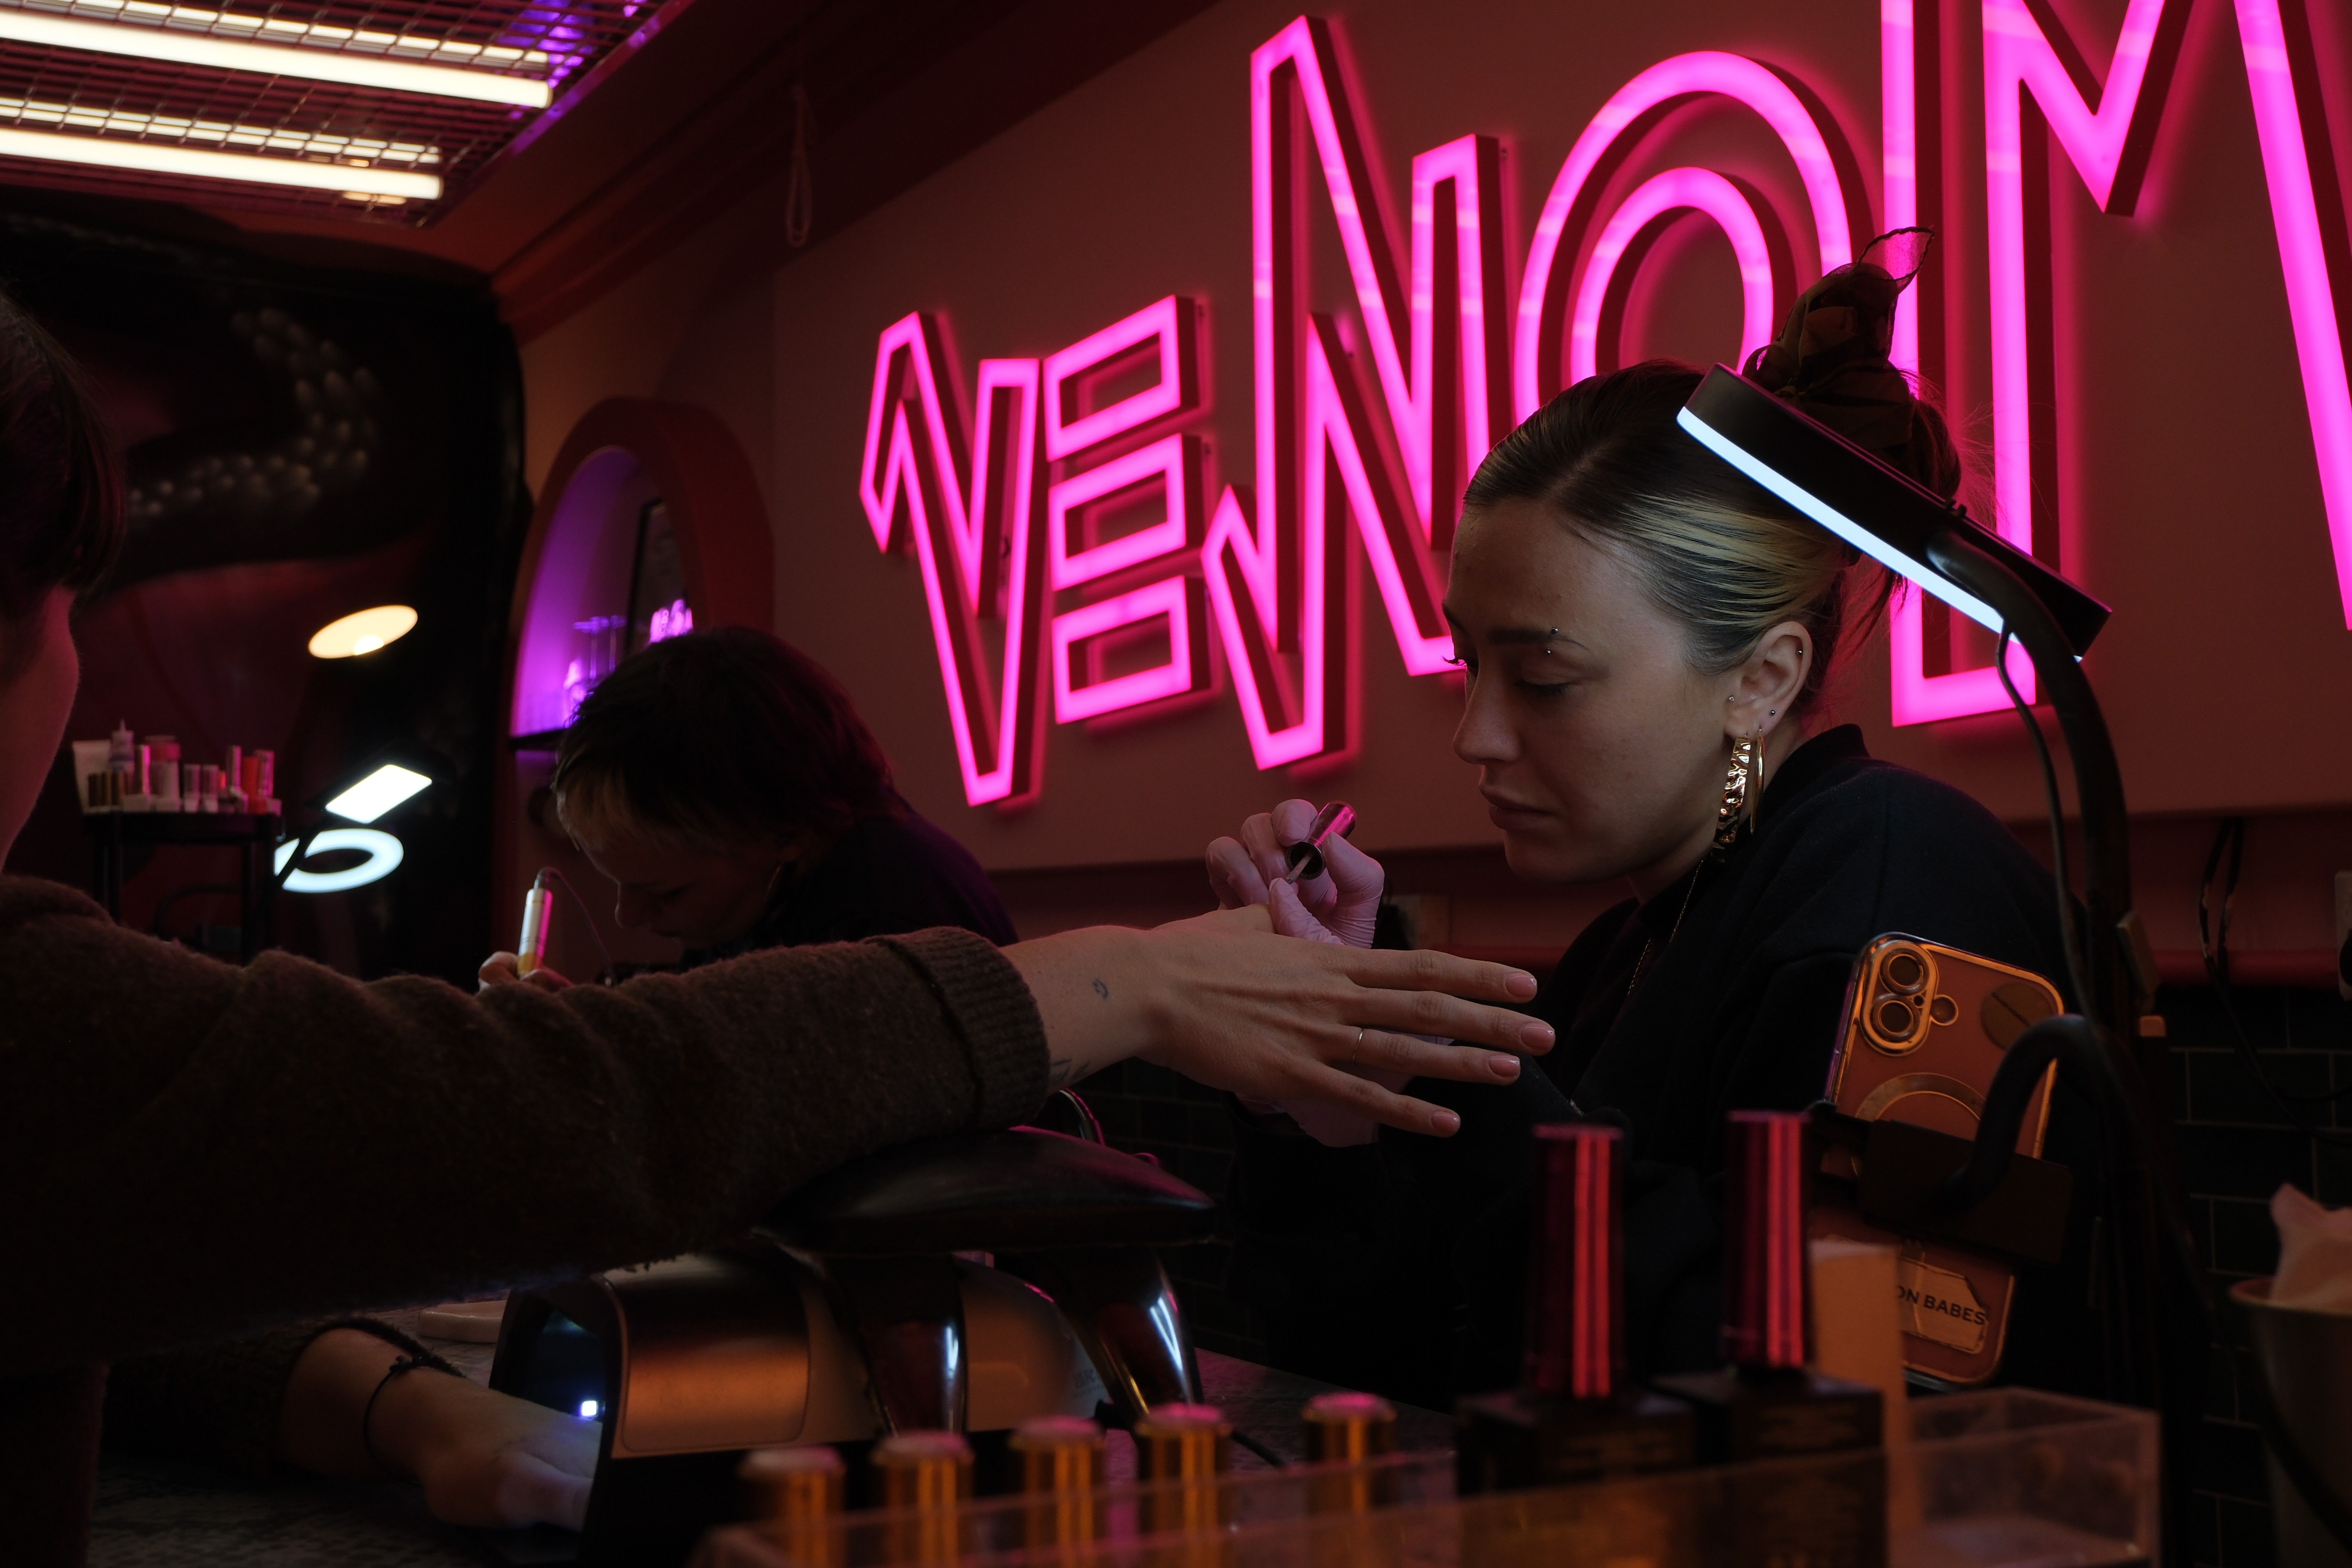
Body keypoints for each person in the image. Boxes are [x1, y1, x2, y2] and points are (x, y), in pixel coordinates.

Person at [0, 292, 1553, 1563]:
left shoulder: (895, 889)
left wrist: (415, 1414)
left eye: (1539, 674)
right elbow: (553, 1106)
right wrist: (1133, 980)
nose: (1478, 736)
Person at [1207, 239, 2087, 1412]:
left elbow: (1856, 1402)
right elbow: (1400, 1373)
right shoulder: (1626, 954)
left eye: (1545, 680)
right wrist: (1330, 1081)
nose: (1474, 736)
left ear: (1764, 678)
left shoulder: (1903, 895)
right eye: (1471, 665)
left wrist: (1437, 1071)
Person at [481, 626, 1015, 993]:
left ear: (787, 833)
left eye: (666, 893)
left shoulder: (884, 920)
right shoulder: (760, 896)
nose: (629, 916)